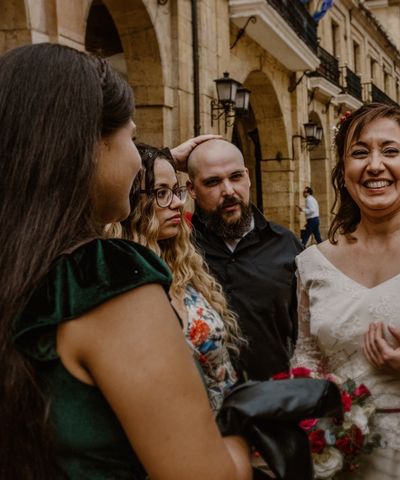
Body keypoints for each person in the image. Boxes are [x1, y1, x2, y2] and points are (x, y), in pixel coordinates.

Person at [0, 44, 250, 479]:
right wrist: (245, 431)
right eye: (131, 138)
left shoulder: (20, 268)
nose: (140, 160)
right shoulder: (102, 277)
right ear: (91, 146)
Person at [293, 103, 400, 479]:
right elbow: (306, 356)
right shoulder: (313, 263)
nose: (375, 165)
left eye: (390, 151)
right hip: (340, 461)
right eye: (360, 153)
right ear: (343, 171)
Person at [110, 143, 243, 412]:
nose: (179, 202)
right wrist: (163, 156)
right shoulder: (118, 275)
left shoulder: (183, 266)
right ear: (132, 198)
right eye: (161, 193)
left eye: (177, 190)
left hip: (231, 426)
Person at [187, 139, 303, 381]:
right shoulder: (181, 249)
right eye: (213, 182)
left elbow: (306, 332)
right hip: (205, 408)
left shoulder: (285, 245)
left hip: (276, 402)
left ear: (248, 177)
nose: (228, 191)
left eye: (236, 177)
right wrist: (168, 157)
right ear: (191, 189)